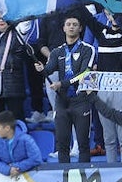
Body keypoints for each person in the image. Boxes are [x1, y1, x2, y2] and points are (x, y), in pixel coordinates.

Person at [39, 14, 97, 163]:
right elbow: (50, 69)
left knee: (83, 144)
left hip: (81, 100)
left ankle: (84, 178)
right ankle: (63, 178)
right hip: (62, 102)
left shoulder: (88, 49)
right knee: (62, 144)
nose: (71, 26)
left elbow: (85, 73)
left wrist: (62, 84)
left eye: (75, 24)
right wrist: (42, 69)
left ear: (80, 28)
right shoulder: (57, 51)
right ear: (63, 28)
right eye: (69, 24)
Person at [0, 111, 44, 177]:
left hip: (30, 177)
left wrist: (17, 167)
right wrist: (8, 170)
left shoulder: (26, 139)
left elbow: (36, 159)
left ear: (7, 128)